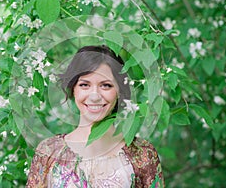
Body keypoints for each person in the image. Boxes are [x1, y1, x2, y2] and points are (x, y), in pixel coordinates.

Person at [26, 45, 164, 187]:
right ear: (73, 89)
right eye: (85, 85)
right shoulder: (48, 151)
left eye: (106, 85)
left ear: (119, 91)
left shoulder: (142, 153)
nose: (95, 96)